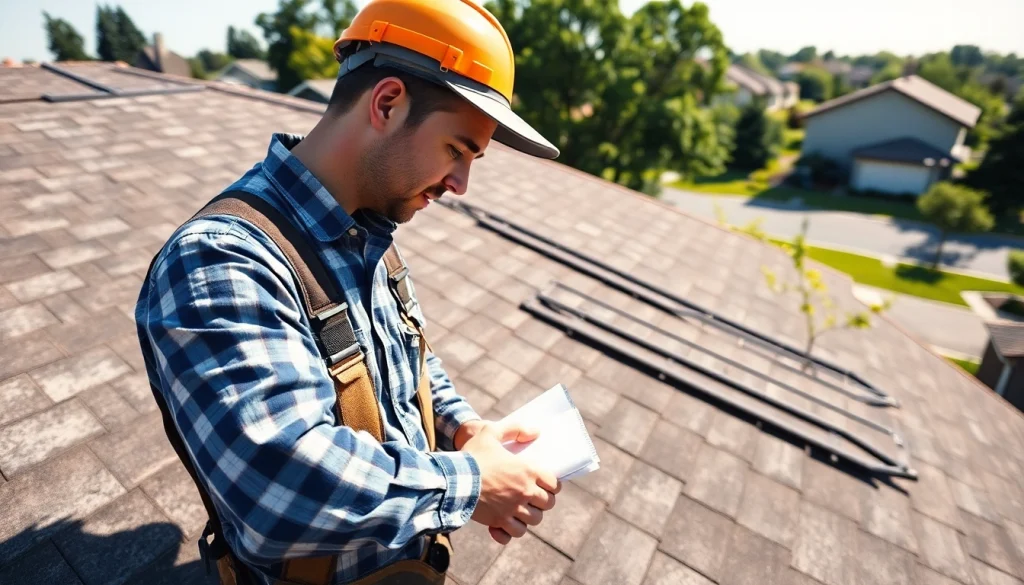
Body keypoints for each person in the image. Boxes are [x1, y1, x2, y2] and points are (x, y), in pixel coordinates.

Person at [134, 1, 562, 584]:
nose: (461, 185)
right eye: (457, 150)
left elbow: (406, 360)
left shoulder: (371, 231)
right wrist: (470, 482)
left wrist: (465, 430)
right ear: (386, 103)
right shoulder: (221, 261)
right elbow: (276, 489)